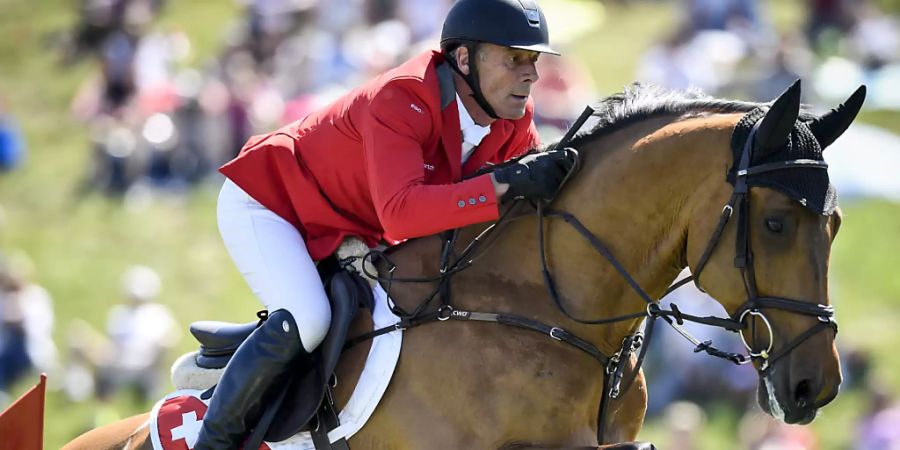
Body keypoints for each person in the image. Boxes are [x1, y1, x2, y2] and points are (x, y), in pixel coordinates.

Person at [196, 0, 576, 447]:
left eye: (532, 60)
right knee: (310, 317)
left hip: (349, 225)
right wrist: (500, 186)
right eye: (514, 58)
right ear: (464, 58)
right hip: (273, 203)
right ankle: (214, 441)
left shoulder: (513, 119)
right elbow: (403, 212)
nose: (531, 74)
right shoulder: (403, 97)